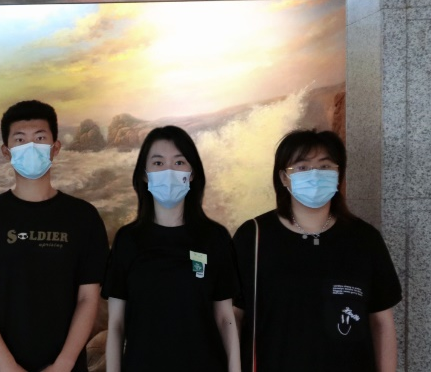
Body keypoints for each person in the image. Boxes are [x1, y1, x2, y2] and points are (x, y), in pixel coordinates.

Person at [233, 130, 401, 372]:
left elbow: (381, 322)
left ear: (338, 174)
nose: (314, 175)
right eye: (302, 167)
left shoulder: (364, 239)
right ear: (283, 177)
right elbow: (234, 316)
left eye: (325, 166)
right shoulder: (254, 236)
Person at [0, 100, 109, 372]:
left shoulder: (83, 217)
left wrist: (64, 364)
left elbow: (89, 297)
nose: (30, 146)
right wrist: (6, 364)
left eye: (40, 138)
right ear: (6, 151)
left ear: (55, 148)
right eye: (20, 139)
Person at [101, 126, 240, 372]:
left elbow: (225, 319)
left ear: (192, 173)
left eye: (179, 162)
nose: (169, 171)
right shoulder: (127, 240)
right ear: (144, 175)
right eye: (158, 163)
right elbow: (116, 325)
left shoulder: (214, 238)